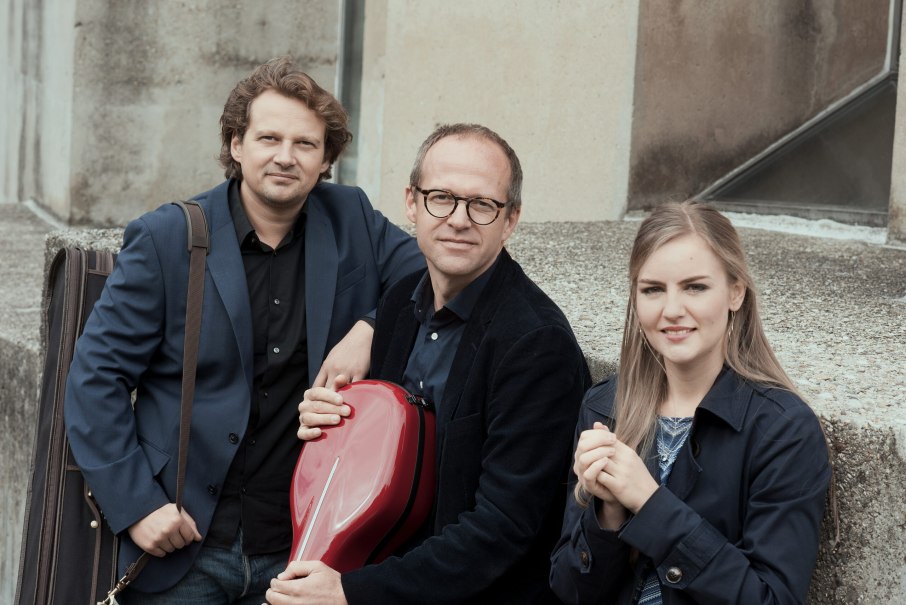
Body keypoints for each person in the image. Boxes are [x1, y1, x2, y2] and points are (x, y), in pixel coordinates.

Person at [63, 57, 423, 603]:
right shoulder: (168, 237)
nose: (285, 156)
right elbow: (95, 378)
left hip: (301, 552)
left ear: (327, 158)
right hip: (183, 545)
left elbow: (429, 276)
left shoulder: (351, 217)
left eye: (305, 144)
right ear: (236, 144)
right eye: (268, 138)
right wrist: (136, 506)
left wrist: (371, 328)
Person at [265, 123, 591, 604]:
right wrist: (339, 430)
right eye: (441, 197)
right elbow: (393, 460)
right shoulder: (399, 304)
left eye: (482, 204)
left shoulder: (536, 345)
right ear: (412, 203)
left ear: (511, 219)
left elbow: (502, 529)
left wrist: (352, 592)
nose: (458, 219)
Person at [549, 201, 831, 604]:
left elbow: (772, 599)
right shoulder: (605, 407)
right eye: (652, 290)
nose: (672, 311)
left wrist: (649, 503)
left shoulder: (782, 429)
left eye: (695, 287)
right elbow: (569, 589)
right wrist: (607, 513)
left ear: (735, 292)